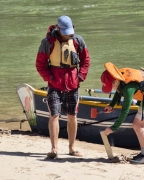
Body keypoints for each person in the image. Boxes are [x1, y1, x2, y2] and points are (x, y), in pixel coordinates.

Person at [36, 15, 90, 158]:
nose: (68, 34)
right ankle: (54, 149)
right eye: (65, 31)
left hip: (73, 84)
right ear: (58, 29)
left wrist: (80, 77)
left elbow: (86, 61)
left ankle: (72, 148)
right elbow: (40, 64)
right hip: (54, 85)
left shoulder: (78, 40)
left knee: (72, 116)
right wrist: (50, 78)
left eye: (70, 31)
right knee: (54, 115)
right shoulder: (47, 43)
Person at [100, 62, 144, 164]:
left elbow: (125, 111)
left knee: (137, 125)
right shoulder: (120, 78)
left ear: (115, 81)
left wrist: (113, 128)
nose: (112, 89)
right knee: (143, 124)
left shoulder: (128, 88)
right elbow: (119, 92)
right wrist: (112, 105)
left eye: (111, 86)